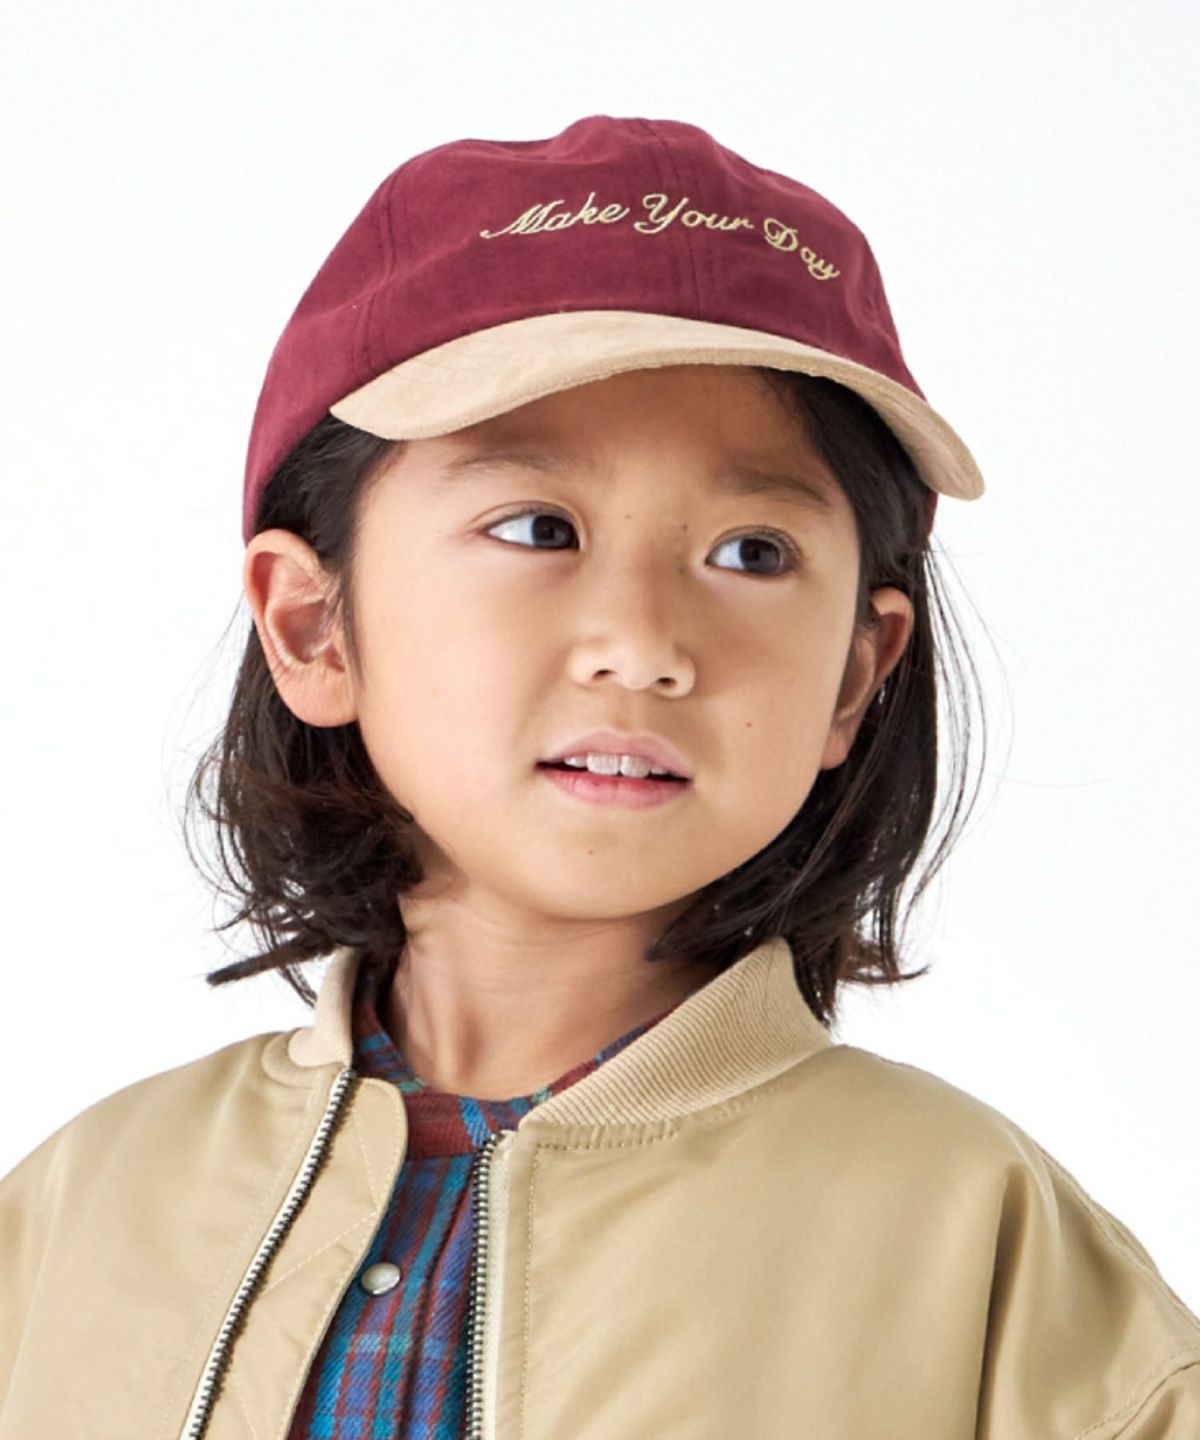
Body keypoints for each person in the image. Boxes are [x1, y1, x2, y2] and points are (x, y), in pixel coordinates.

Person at [1, 115, 1196, 1439]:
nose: (642, 645)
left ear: (856, 675)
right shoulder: (77, 1214)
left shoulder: (983, 1253)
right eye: (537, 528)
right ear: (312, 624)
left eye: (753, 553)